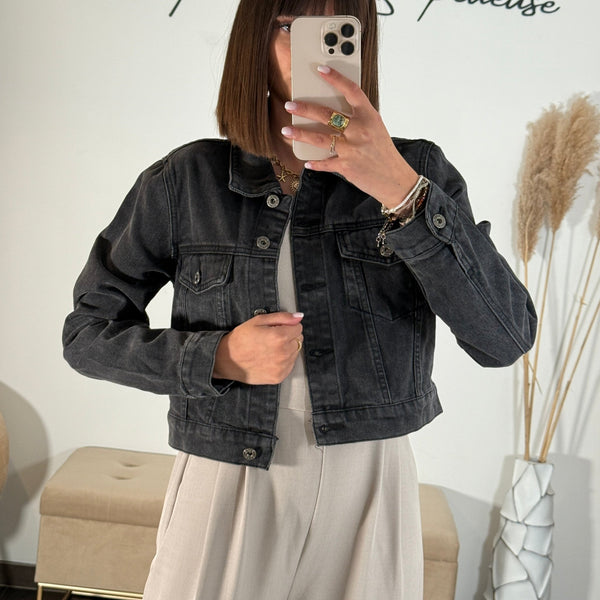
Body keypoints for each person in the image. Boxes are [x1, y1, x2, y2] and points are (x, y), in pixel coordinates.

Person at [62, 0, 537, 598]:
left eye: (337, 28)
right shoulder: (188, 180)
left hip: (370, 480)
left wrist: (401, 191)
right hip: (228, 472)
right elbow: (87, 333)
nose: (314, 47)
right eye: (290, 26)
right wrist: (217, 357)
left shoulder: (417, 172)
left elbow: (504, 338)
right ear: (255, 42)